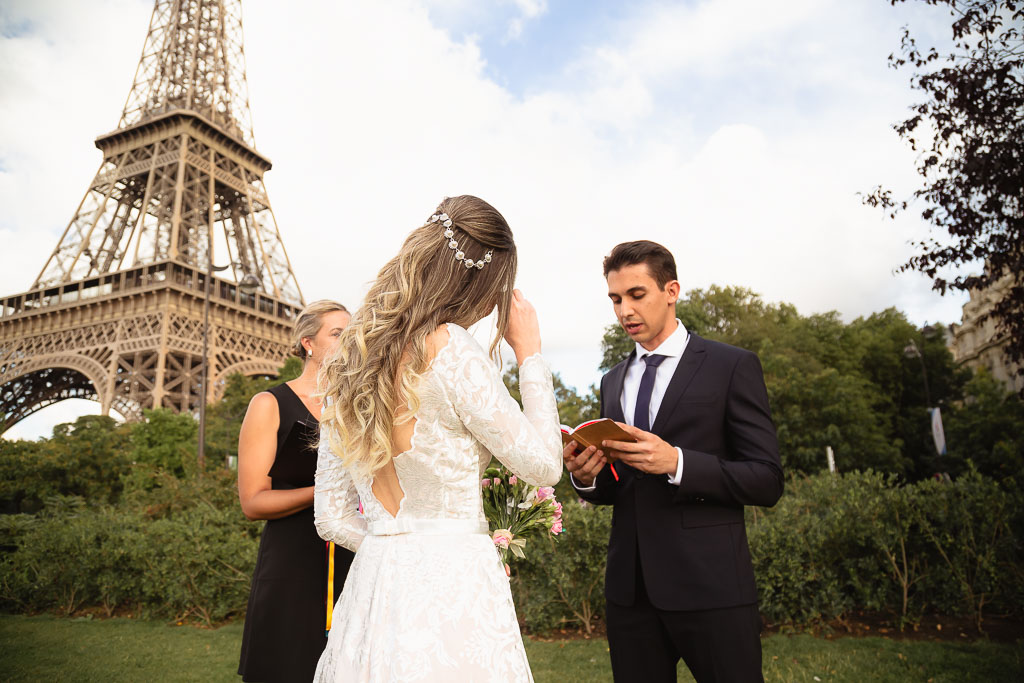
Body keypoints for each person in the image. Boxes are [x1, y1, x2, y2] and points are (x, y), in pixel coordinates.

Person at [313, 195, 562, 682]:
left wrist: (394, 550)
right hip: (456, 583)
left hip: (375, 584)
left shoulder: (346, 361)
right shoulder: (450, 348)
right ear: (481, 280)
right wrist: (530, 354)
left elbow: (332, 516)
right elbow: (545, 466)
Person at [565, 240, 784, 683]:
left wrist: (677, 462)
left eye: (636, 295)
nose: (624, 310)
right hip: (630, 594)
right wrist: (587, 478)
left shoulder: (732, 366)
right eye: (615, 299)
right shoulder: (612, 381)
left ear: (672, 290)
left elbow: (766, 479)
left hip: (712, 587)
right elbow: (619, 485)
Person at [237, 300, 356, 683]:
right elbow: (253, 501)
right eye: (337, 334)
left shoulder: (361, 408)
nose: (349, 341)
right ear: (308, 343)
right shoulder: (270, 403)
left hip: (358, 558)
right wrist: (323, 493)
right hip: (293, 563)